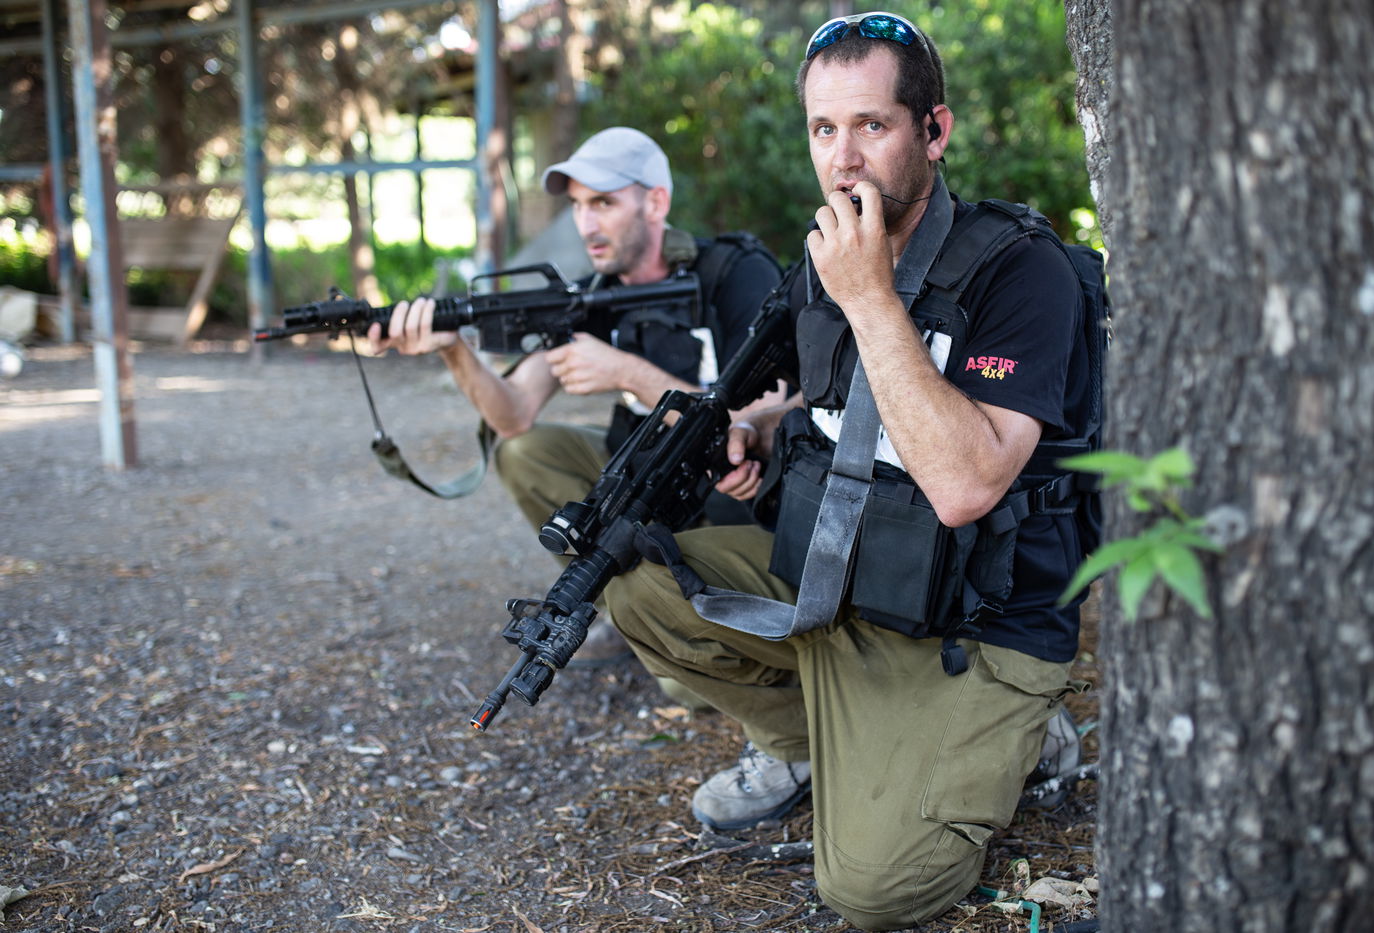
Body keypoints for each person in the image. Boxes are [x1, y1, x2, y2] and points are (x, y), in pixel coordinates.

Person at [604, 13, 1092, 930]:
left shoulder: (1023, 272)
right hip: (843, 588)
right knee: (634, 576)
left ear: (934, 132)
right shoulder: (821, 261)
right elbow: (822, 403)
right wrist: (756, 428)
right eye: (825, 130)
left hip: (974, 623)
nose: (844, 158)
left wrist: (870, 296)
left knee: (873, 891)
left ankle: (1022, 733)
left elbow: (968, 483)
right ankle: (805, 744)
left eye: (873, 125)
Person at [367, 127, 783, 664]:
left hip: (731, 498)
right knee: (524, 451)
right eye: (579, 206)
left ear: (656, 201)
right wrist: (453, 349)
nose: (587, 224)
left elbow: (764, 412)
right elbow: (513, 414)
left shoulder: (733, 274)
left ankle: (673, 627)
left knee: (692, 683)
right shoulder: (592, 294)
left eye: (604, 203)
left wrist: (628, 372)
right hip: (640, 490)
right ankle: (614, 610)